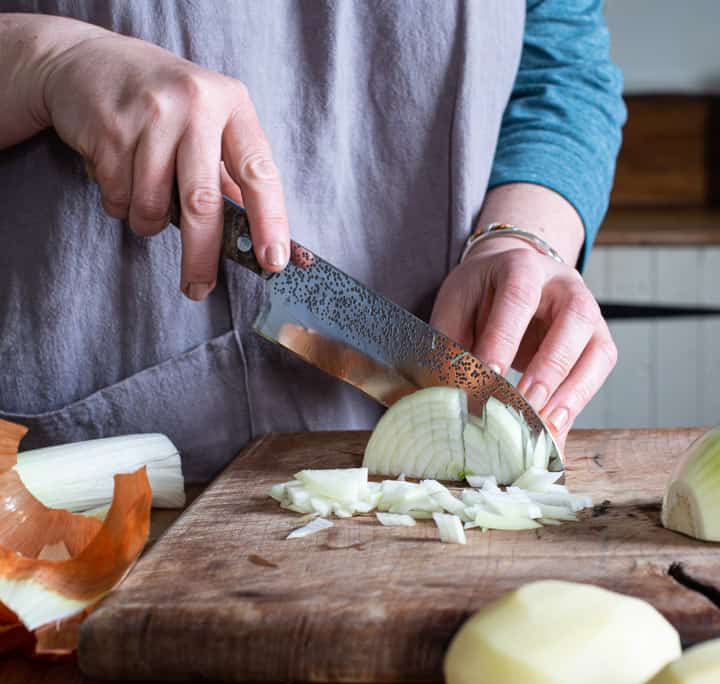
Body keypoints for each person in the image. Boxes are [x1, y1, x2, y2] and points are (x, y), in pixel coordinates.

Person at [0, 2, 625, 483]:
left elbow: (558, 63)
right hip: (65, 486)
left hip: (402, 490)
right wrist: (46, 60)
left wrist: (520, 233)